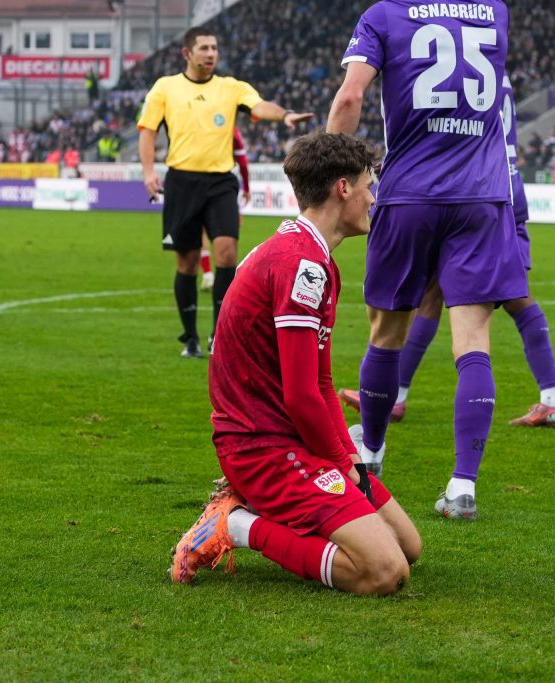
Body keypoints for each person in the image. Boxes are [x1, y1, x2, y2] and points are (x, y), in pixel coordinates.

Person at [170, 132, 421, 595]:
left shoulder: (314, 257)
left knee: (409, 548)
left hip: (290, 437)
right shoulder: (301, 264)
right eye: (368, 185)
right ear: (342, 188)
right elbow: (301, 396)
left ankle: (262, 507)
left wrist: (348, 457)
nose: (372, 198)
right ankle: (235, 524)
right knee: (385, 573)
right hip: (261, 446)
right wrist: (341, 466)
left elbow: (321, 382)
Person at [327, 0, 524, 520]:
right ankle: (463, 487)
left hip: (409, 196)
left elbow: (351, 95)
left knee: (387, 333)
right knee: (474, 343)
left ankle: (371, 453)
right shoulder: (495, 13)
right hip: (482, 196)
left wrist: (329, 170)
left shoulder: (383, 15)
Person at [337, 73, 555, 451]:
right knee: (433, 293)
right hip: (489, 185)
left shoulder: (461, 67)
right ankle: (397, 395)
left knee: (514, 297)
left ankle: (553, 398)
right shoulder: (487, 65)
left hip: (485, 188)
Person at [137, 26, 313, 358]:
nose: (210, 54)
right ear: (187, 53)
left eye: (214, 48)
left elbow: (259, 106)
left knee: (227, 253)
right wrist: (148, 172)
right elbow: (147, 132)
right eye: (204, 48)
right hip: (181, 181)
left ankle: (219, 334)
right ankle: (190, 338)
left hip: (220, 182)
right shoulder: (166, 88)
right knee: (187, 262)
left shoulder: (231, 88)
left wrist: (285, 115)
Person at [201, 127, 251, 291]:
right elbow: (242, 160)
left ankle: (209, 275)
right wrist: (246, 187)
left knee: (203, 233)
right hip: (224, 187)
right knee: (226, 238)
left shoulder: (201, 126)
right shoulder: (230, 127)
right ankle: (216, 277)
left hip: (201, 184)